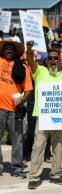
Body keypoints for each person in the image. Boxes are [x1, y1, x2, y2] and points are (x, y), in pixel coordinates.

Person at [25, 40, 62, 189]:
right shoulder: (40, 72)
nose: (52, 60)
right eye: (50, 58)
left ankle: (55, 175)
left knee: (57, 147)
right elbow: (31, 61)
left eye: (55, 58)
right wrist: (29, 49)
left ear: (60, 61)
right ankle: (33, 177)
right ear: (46, 61)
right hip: (43, 117)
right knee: (38, 147)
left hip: (60, 118)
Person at [0, 39, 33, 178]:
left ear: (14, 52)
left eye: (11, 49)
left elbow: (29, 89)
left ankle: (17, 168)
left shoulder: (22, 66)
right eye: (6, 48)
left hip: (15, 110)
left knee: (17, 140)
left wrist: (21, 102)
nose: (8, 50)